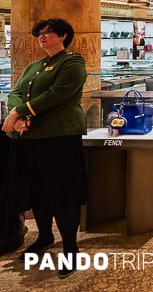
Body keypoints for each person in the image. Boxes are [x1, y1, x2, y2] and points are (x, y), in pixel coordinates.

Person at [1, 18, 87, 278]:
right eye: (39, 33)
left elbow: (57, 94)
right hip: (32, 138)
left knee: (63, 194)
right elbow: (16, 91)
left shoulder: (72, 63)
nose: (42, 37)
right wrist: (18, 112)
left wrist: (20, 112)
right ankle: (44, 237)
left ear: (63, 36)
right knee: (37, 192)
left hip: (59, 138)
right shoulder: (34, 66)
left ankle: (70, 249)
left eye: (48, 33)